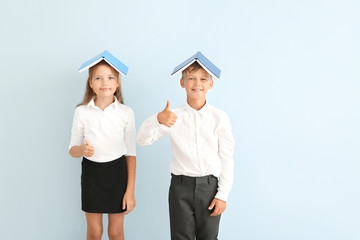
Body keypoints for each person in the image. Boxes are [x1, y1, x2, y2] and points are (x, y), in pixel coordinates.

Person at [137, 52, 234, 240]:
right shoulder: (173, 116)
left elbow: (227, 157)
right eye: (191, 78)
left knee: (209, 237)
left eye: (203, 79)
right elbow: (142, 140)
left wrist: (222, 194)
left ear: (210, 84)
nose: (197, 83)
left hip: (210, 187)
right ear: (182, 83)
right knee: (181, 237)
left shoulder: (219, 118)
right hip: (180, 187)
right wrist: (157, 119)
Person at [69, 51, 136, 240]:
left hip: (117, 173)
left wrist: (130, 191)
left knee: (115, 232)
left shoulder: (126, 112)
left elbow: (131, 153)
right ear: (90, 83)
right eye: (98, 78)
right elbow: (72, 149)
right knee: (94, 232)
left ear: (117, 82)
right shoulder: (81, 112)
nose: (104, 83)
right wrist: (82, 150)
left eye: (110, 78)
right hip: (92, 174)